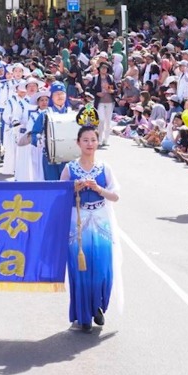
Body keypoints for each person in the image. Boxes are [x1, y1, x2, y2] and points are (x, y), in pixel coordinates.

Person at [59, 125, 121, 332]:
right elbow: (58, 197)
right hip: (78, 222)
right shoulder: (70, 168)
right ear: (78, 143)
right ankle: (81, 316)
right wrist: (72, 188)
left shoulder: (105, 168)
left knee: (102, 268)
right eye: (85, 140)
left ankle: (98, 307)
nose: (89, 144)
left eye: (93, 140)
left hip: (101, 221)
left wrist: (98, 189)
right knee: (80, 269)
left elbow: (115, 195)